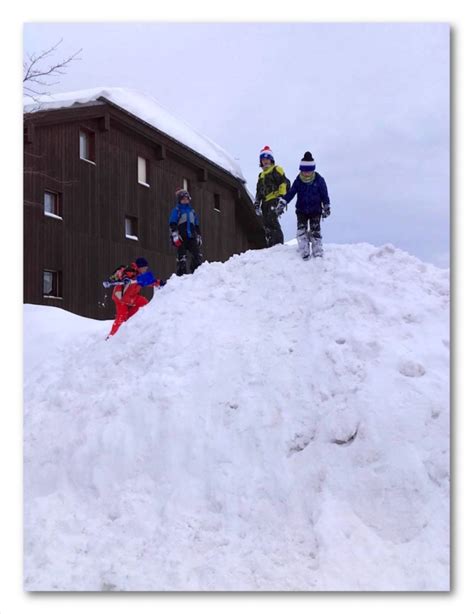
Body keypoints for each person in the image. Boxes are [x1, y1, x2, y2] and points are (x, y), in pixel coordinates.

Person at [278, 151, 331, 259]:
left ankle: (317, 251)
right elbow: (291, 193)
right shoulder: (298, 181)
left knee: (315, 231)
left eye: (309, 171)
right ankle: (304, 250)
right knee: (301, 231)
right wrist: (283, 202)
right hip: (301, 210)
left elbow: (324, 194)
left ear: (313, 170)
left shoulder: (319, 180)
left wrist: (326, 206)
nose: (306, 173)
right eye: (304, 170)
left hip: (315, 210)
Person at [106, 257, 165, 338]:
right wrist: (125, 278)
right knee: (121, 317)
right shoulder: (131, 270)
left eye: (146, 268)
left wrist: (159, 282)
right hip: (121, 298)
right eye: (144, 268)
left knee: (143, 302)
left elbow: (150, 282)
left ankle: (130, 322)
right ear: (140, 267)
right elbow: (121, 273)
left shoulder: (141, 276)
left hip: (131, 298)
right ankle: (111, 336)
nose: (145, 270)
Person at [254, 145, 290, 247]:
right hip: (264, 202)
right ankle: (270, 244)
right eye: (263, 159)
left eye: (267, 159)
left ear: (271, 160)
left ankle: (278, 244)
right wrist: (257, 203)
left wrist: (281, 197)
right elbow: (259, 191)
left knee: (272, 219)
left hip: (274, 199)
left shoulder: (276, 170)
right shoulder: (261, 176)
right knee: (266, 223)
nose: (265, 162)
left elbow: (283, 183)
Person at [169, 188, 203, 276]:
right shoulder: (177, 210)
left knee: (197, 254)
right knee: (182, 256)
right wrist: (175, 233)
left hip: (191, 236)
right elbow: (172, 222)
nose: (185, 200)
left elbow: (196, 224)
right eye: (183, 199)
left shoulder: (192, 211)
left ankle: (196, 273)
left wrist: (198, 235)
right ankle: (181, 275)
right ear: (180, 200)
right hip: (181, 236)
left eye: (187, 199)